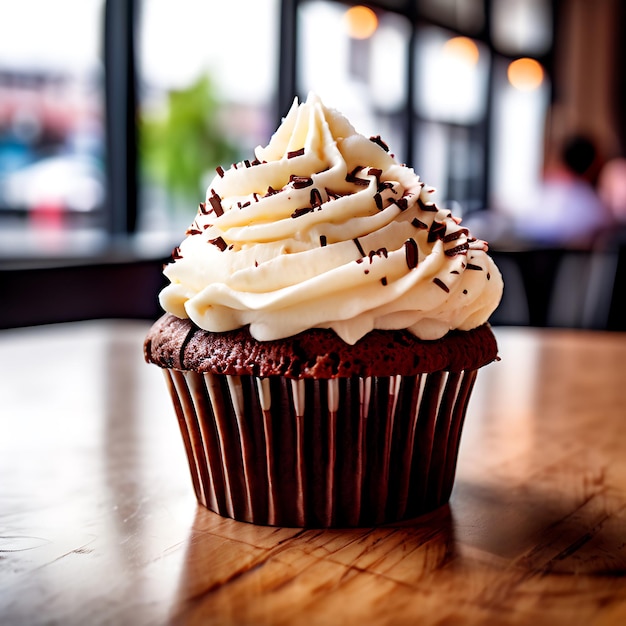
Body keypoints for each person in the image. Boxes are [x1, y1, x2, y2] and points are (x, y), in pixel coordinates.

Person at [516, 134, 614, 248]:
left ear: (562, 160)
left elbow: (523, 224)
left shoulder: (544, 192)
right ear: (594, 164)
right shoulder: (593, 205)